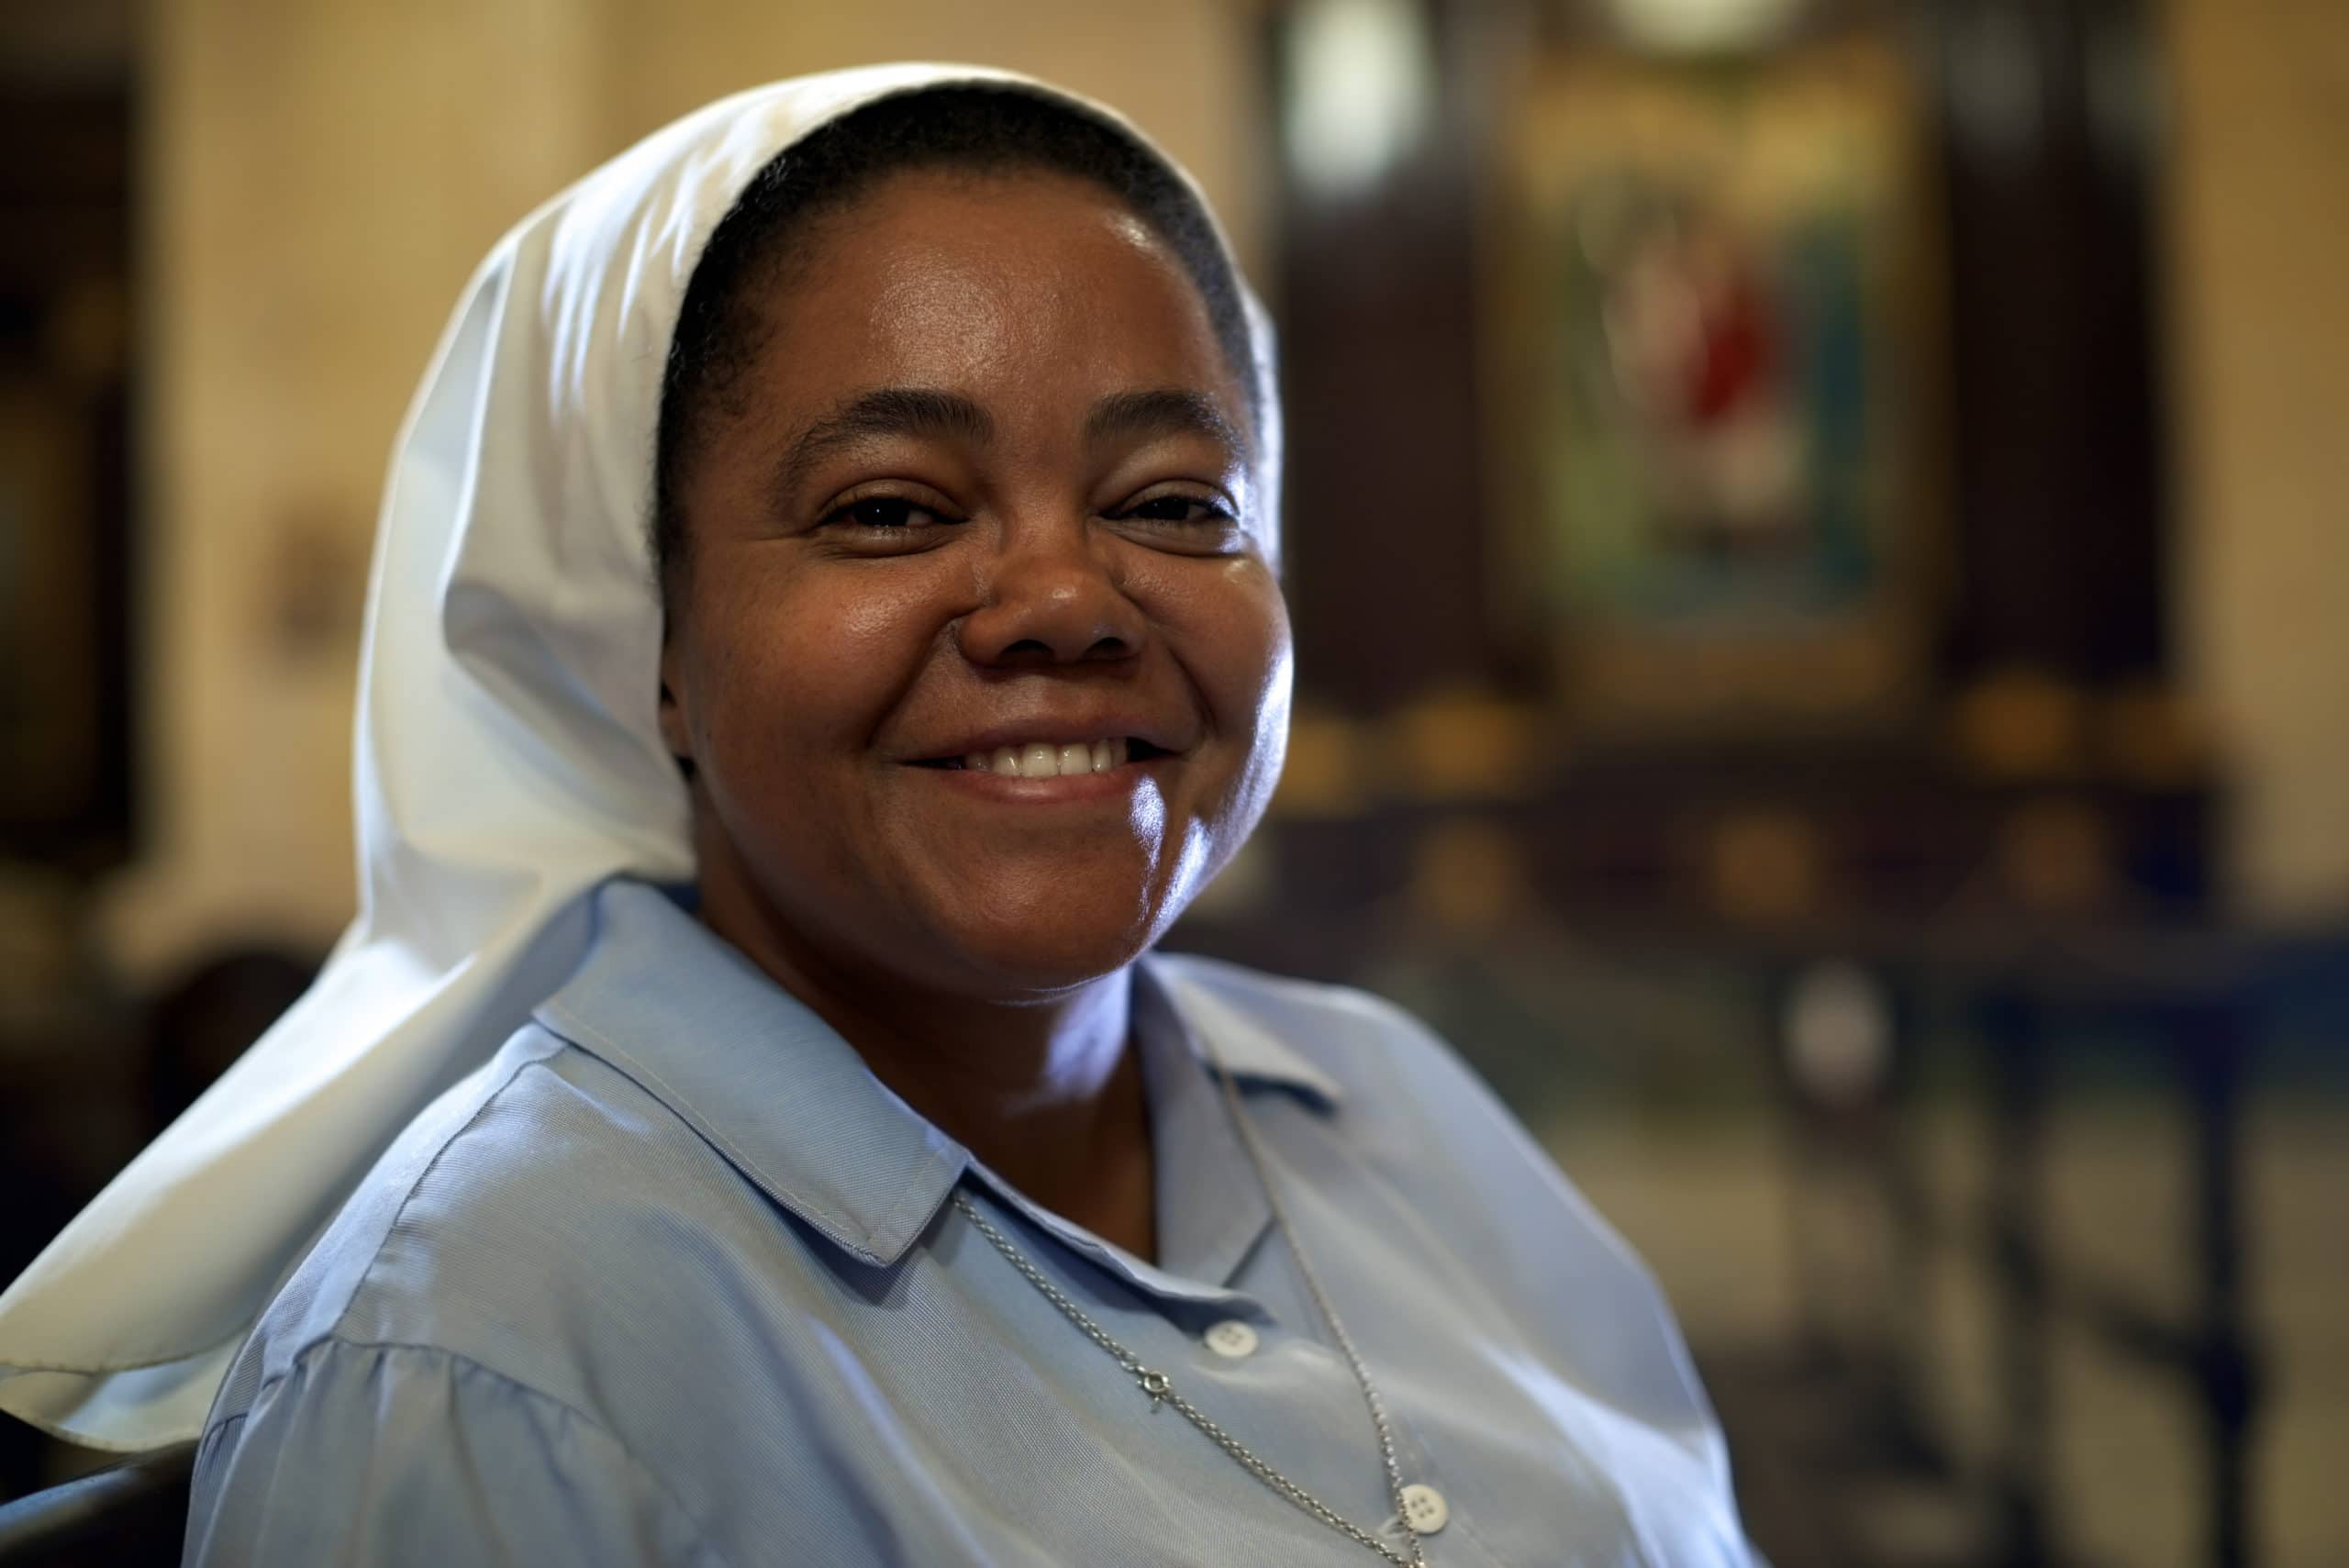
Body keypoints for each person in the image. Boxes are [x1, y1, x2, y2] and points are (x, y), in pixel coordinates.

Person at [0, 65, 1756, 1564]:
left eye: (1175, 501)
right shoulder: (489, 1355)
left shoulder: (1401, 1113)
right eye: (893, 509)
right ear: (657, 645)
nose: (1065, 598)